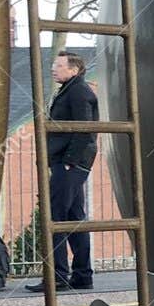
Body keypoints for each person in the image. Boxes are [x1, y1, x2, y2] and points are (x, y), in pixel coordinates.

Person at [27, 49, 98, 292]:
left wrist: (69, 160)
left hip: (69, 164)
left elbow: (84, 128)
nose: (53, 69)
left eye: (58, 65)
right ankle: (82, 275)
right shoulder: (72, 90)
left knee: (56, 217)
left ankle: (57, 276)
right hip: (71, 163)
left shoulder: (78, 92)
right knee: (74, 219)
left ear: (74, 69)